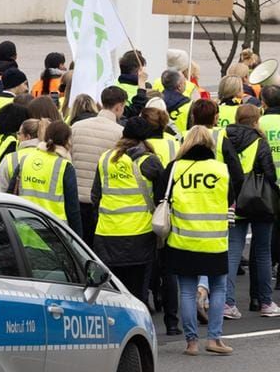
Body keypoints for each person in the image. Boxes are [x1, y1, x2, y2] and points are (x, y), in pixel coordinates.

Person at [166, 126, 238, 356]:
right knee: (218, 288)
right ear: (209, 143)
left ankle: (191, 342)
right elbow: (230, 198)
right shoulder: (221, 170)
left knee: (186, 291)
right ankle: (214, 339)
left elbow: (161, 197)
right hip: (214, 240)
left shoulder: (175, 168)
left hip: (183, 239)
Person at [89, 119, 165, 308]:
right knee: (138, 294)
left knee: (113, 293)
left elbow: (95, 195)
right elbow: (162, 197)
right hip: (139, 234)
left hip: (107, 234)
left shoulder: (105, 158)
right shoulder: (150, 162)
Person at [220, 104, 279, 319]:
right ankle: (264, 301)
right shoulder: (259, 141)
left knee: (233, 249)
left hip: (234, 197)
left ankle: (227, 302)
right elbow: (270, 174)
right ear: (256, 121)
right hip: (259, 201)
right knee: (262, 251)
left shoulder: (224, 137)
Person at [7, 122, 81, 234]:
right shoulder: (64, 167)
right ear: (67, 141)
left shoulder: (25, 160)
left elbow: (10, 193)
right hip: (53, 234)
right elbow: (73, 209)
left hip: (23, 229)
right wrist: (78, 239)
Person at [71, 86, 127, 207]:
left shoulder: (76, 127)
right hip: (101, 197)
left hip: (76, 195)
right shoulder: (120, 133)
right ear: (119, 106)